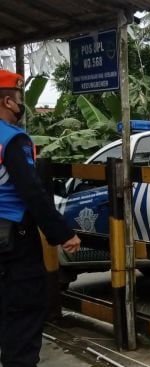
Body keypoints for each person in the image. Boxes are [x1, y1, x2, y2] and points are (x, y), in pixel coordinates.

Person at [0, 69, 81, 366]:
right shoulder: (13, 140)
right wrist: (63, 233)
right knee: (22, 320)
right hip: (14, 242)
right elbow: (32, 192)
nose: (22, 104)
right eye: (20, 98)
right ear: (9, 102)